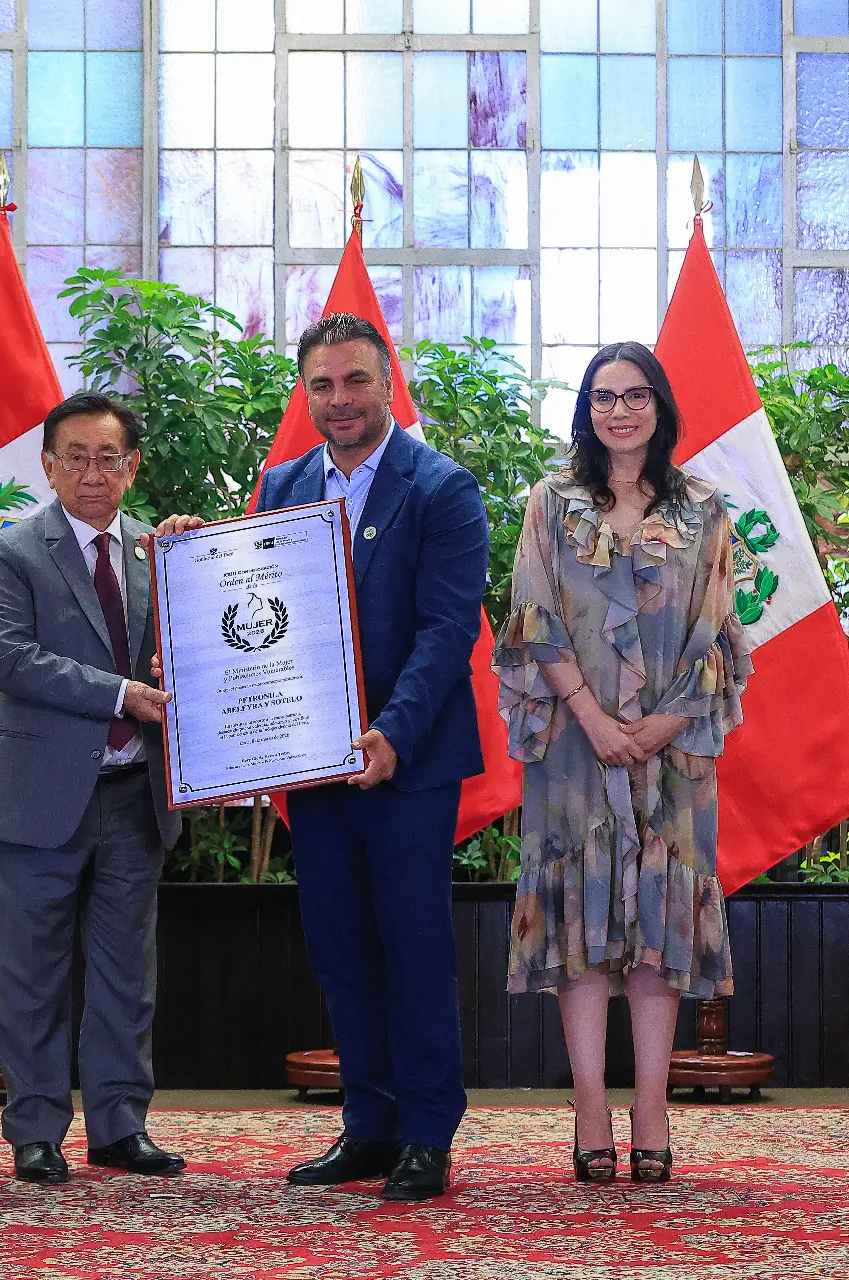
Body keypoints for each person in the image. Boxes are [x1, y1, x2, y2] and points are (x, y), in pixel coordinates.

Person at [160, 313, 490, 1201]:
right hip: (310, 764)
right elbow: (252, 615)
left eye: (355, 381)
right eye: (322, 385)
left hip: (407, 765)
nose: (340, 400)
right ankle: (369, 1125)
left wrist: (393, 733)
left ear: (388, 383)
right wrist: (193, 558)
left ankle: (427, 1134)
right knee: (340, 948)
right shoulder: (283, 484)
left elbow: (447, 631)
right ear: (305, 395)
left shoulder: (443, 488)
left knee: (413, 948)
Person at [495, 340, 751, 1185]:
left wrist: (662, 723)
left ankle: (651, 1108)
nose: (620, 411)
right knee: (580, 922)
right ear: (586, 411)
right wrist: (593, 718)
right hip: (574, 751)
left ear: (660, 406)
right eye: (603, 397)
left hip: (675, 753)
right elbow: (532, 619)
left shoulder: (704, 510)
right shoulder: (551, 503)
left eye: (636, 395)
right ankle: (589, 1109)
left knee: (656, 927)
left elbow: (718, 631)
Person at [0, 390, 188, 1186]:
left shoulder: (160, 552)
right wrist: (123, 694)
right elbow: (10, 659)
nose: (93, 474)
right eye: (76, 458)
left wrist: (201, 567)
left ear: (133, 466)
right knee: (30, 973)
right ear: (49, 466)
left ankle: (121, 1126)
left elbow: (186, 653)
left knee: (128, 972)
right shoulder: (12, 548)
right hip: (38, 793)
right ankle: (35, 1129)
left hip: (135, 792)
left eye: (108, 458)